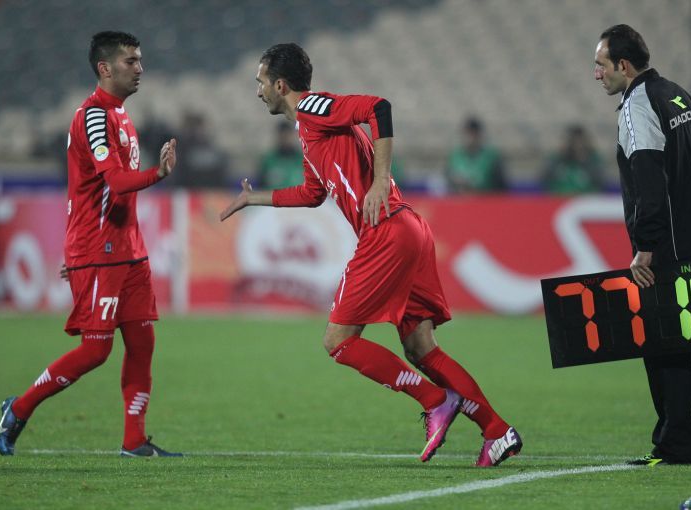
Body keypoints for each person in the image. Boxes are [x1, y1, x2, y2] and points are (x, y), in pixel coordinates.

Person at [220, 43, 522, 467]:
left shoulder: (312, 108)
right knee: (421, 349)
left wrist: (380, 180)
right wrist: (255, 199)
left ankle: (435, 400)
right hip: (408, 229)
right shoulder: (307, 132)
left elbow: (379, 107)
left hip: (386, 231)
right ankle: (496, 431)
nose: (258, 91)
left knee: (338, 341)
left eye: (261, 82)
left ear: (281, 85)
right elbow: (311, 193)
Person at [0, 31, 181, 457]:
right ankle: (19, 408)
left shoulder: (122, 115)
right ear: (105, 68)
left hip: (130, 251)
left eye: (140, 60)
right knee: (96, 350)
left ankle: (134, 441)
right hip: (99, 250)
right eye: (131, 61)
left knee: (142, 344)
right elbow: (115, 182)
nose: (140, 68)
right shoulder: (94, 116)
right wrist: (158, 174)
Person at [594, 24, 691, 466]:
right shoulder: (679, 95)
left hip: (667, 244)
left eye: (601, 65)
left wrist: (646, 244)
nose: (597, 74)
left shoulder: (637, 106)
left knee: (664, 343)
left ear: (624, 65)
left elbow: (649, 178)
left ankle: (673, 446)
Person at [445, 116, 507, 193]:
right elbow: (448, 179)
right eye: (467, 133)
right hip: (460, 198)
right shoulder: (455, 157)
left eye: (473, 134)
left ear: (479, 135)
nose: (470, 138)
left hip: (484, 198)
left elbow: (501, 185)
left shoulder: (491, 157)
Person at [540, 124, 606, 194]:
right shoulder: (557, 159)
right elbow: (543, 179)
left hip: (587, 197)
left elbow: (602, 181)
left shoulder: (593, 159)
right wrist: (560, 157)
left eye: (580, 142)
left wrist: (585, 161)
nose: (577, 146)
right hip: (559, 196)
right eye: (574, 142)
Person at [256, 121, 305, 189]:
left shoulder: (302, 160)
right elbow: (261, 185)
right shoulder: (268, 160)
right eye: (282, 136)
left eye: (287, 136)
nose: (285, 140)